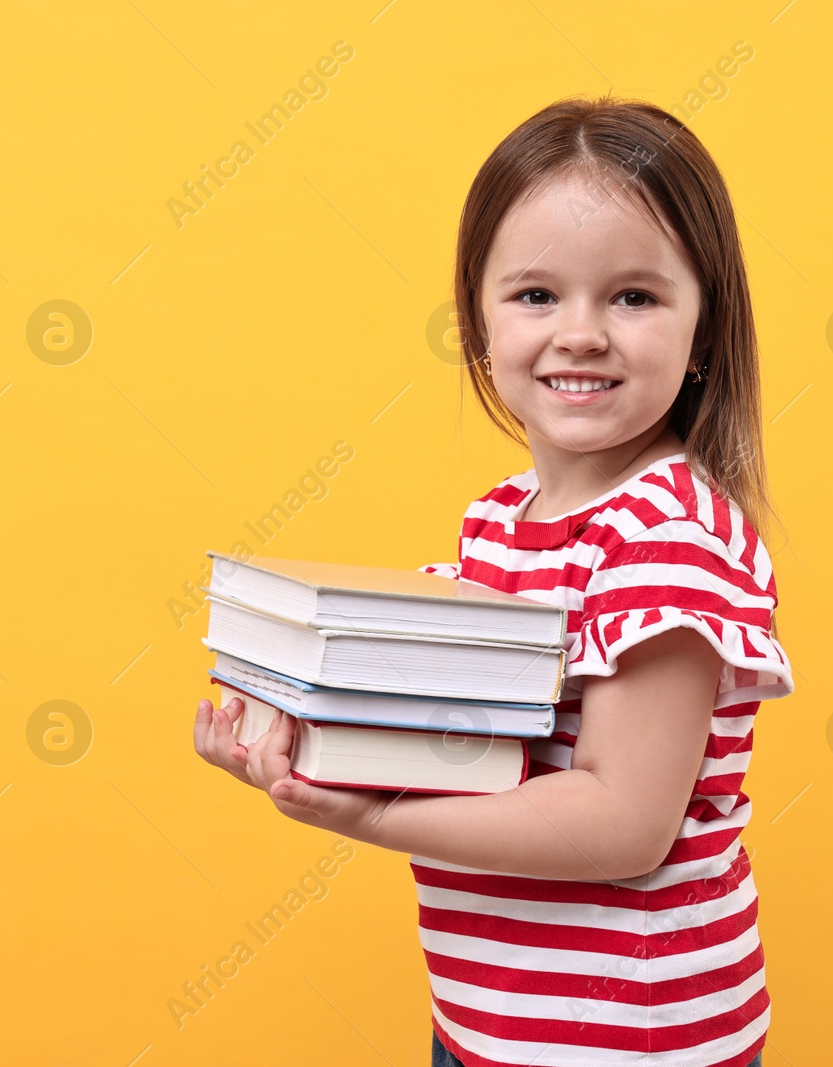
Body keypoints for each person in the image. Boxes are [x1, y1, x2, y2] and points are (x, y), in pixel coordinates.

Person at [193, 93, 793, 1067]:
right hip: (488, 1016)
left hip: (628, 1039)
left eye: (633, 296)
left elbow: (620, 820)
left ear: (705, 325)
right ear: (476, 316)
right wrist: (301, 733)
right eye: (535, 295)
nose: (582, 333)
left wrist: (375, 814)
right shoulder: (497, 520)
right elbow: (473, 745)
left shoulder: (667, 536)